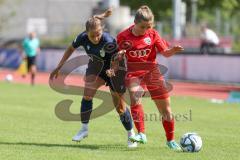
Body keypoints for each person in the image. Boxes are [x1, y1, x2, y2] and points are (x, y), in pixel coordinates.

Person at [50, 8, 137, 148]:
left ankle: (131, 134)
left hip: (115, 69)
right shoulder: (82, 37)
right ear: (86, 33)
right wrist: (59, 67)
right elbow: (70, 49)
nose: (96, 38)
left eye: (98, 34)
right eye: (92, 35)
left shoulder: (108, 41)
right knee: (87, 95)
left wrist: (112, 70)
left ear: (102, 31)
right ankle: (84, 129)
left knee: (119, 107)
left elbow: (118, 59)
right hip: (96, 67)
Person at [116, 5, 184, 150]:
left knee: (166, 111)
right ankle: (142, 134)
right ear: (134, 22)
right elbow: (116, 56)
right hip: (133, 72)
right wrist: (119, 55)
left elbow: (165, 52)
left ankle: (170, 141)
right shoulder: (122, 36)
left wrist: (172, 50)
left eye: (149, 26)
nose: (146, 30)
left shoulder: (153, 34)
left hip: (152, 72)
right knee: (135, 95)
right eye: (143, 27)